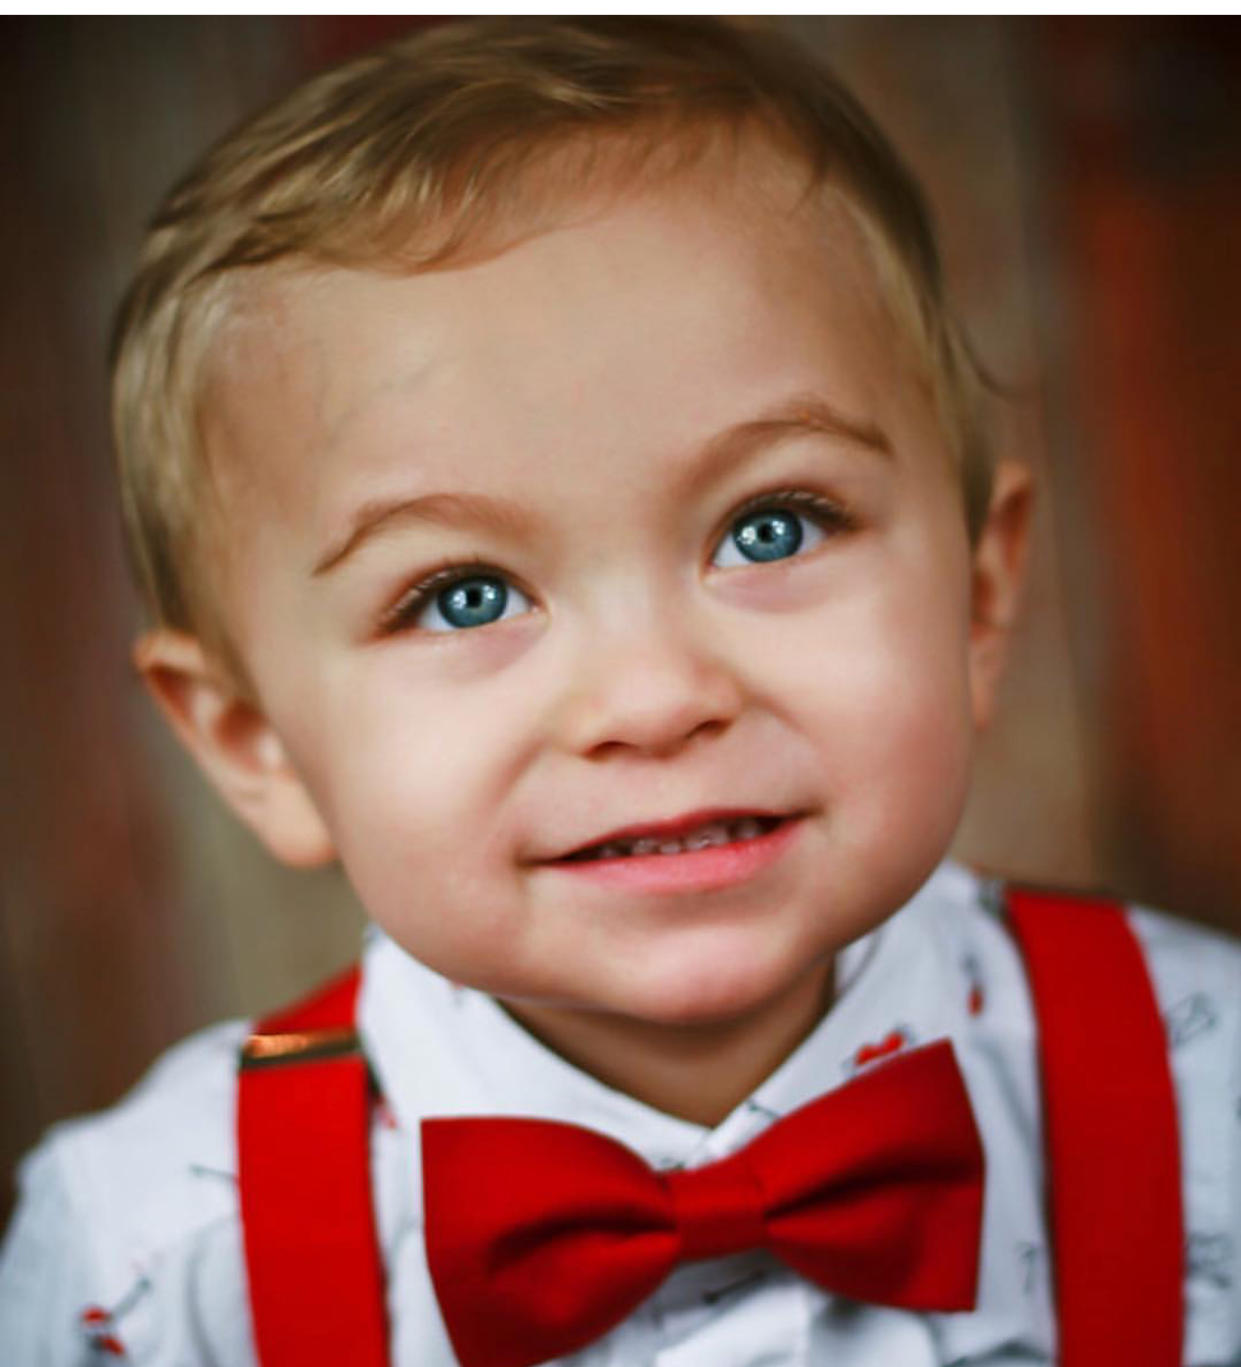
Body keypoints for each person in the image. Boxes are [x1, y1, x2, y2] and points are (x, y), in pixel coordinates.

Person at [1, 17, 1237, 1366]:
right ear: (258, 748)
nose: (655, 700)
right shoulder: (149, 1266)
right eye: (465, 595)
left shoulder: (1211, 1092)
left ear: (980, 600)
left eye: (769, 527)